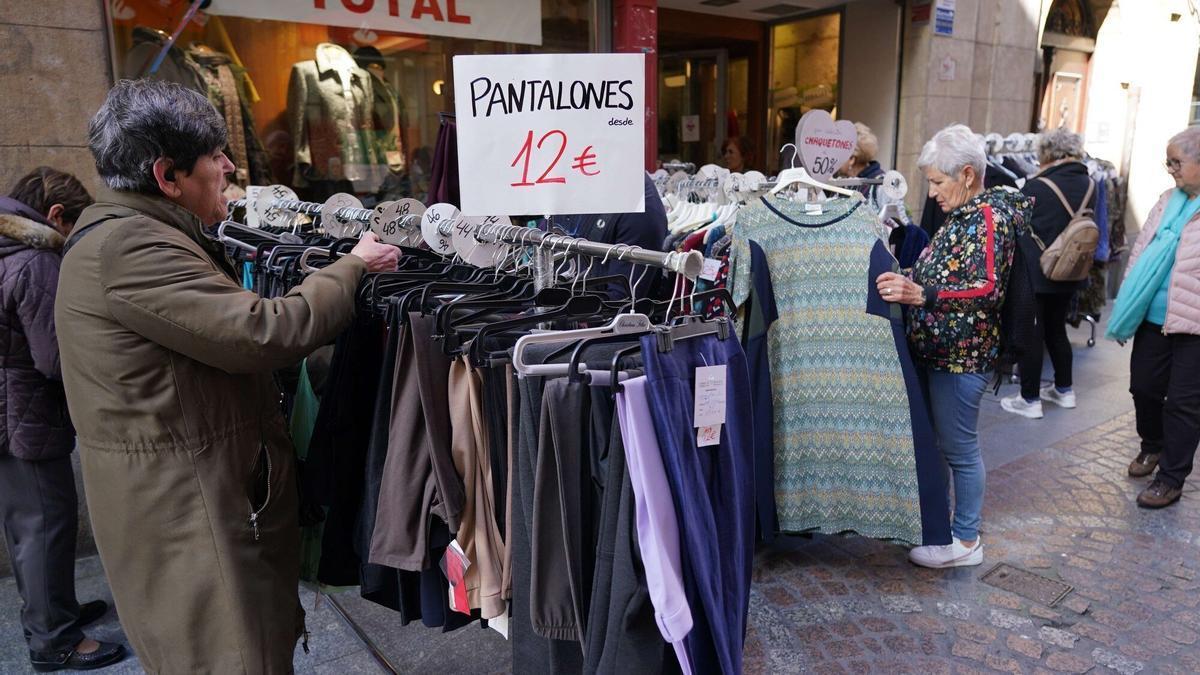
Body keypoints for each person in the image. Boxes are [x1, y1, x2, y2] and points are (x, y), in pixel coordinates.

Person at [55, 79, 399, 673]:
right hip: (190, 516)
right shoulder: (131, 246)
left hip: (188, 503)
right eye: (214, 156)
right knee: (235, 657)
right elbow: (264, 331)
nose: (229, 166)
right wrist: (352, 267)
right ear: (167, 176)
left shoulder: (135, 234)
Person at [875, 124, 1031, 568]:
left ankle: (964, 541)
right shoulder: (969, 214)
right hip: (948, 353)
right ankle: (946, 530)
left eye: (938, 182)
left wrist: (921, 294)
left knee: (960, 449)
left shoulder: (986, 217)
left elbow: (985, 288)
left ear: (966, 174)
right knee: (949, 446)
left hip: (962, 357)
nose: (933, 192)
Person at [0, 168, 127, 672]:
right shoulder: (34, 260)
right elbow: (55, 359)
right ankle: (53, 640)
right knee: (45, 524)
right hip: (25, 416)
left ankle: (56, 612)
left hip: (9, 409)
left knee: (25, 522)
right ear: (55, 216)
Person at [1106, 127, 1200, 508]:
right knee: (1142, 387)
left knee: (1183, 403)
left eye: (1177, 162)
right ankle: (1153, 446)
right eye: (1169, 161)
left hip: (1194, 325)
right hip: (1152, 317)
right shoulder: (1167, 200)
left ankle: (1171, 478)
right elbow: (1142, 251)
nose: (1171, 169)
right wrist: (1127, 307)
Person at [1000, 128, 1094, 419]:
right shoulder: (1089, 183)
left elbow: (1018, 225)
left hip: (1038, 271)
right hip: (1071, 270)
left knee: (1032, 334)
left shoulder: (1037, 186)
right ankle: (1064, 390)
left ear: (1047, 153)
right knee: (1057, 330)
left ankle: (1029, 399)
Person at [836, 122, 885, 198]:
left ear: (852, 159)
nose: (833, 160)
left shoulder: (880, 184)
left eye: (838, 154)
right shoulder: (843, 182)